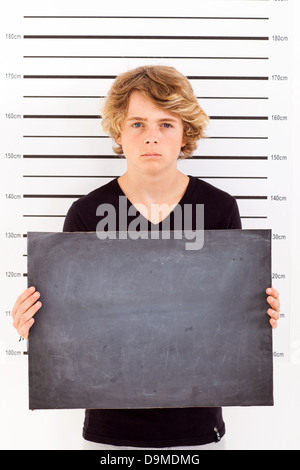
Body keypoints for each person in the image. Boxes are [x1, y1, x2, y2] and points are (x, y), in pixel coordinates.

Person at [11, 66, 280, 450]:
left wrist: (258, 315)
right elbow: (70, 327)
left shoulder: (219, 208)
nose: (151, 136)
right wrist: (34, 327)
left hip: (198, 431)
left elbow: (230, 314)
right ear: (118, 132)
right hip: (109, 434)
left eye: (166, 124)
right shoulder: (88, 213)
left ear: (186, 131)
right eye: (137, 124)